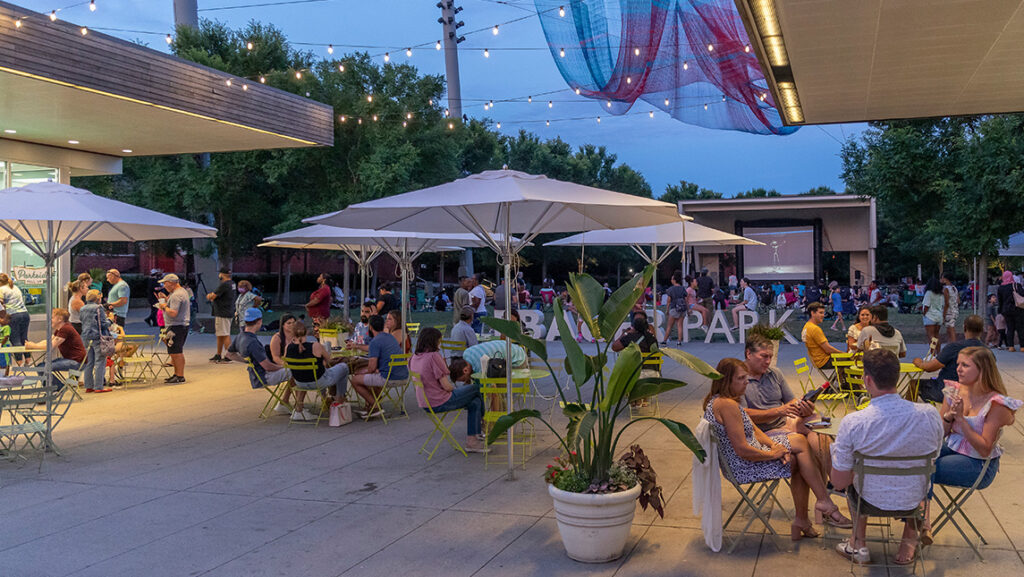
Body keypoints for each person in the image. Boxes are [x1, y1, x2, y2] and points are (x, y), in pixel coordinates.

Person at [703, 358, 851, 543]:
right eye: (741, 378)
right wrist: (772, 454)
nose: (746, 382)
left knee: (799, 455)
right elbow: (742, 450)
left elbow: (754, 429)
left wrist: (774, 445)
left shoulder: (721, 400)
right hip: (743, 466)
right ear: (726, 381)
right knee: (799, 452)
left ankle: (807, 517)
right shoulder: (727, 405)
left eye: (746, 378)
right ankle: (820, 505)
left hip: (751, 454)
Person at [830, 349, 944, 565]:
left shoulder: (854, 422)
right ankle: (909, 541)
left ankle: (857, 544)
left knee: (849, 474)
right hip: (913, 499)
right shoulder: (929, 415)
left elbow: (838, 482)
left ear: (867, 380)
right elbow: (934, 456)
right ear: (897, 376)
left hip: (869, 501)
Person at [929, 346, 1021, 539]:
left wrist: (961, 421)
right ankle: (919, 519)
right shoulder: (954, 390)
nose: (958, 369)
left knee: (925, 468)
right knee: (918, 457)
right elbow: (939, 435)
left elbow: (985, 448)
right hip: (954, 447)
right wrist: (948, 417)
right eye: (958, 364)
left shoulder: (996, 404)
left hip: (978, 463)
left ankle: (919, 523)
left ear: (982, 370)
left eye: (965, 365)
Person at [409, 327, 489, 453]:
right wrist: (454, 389)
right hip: (440, 400)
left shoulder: (414, 357)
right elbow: (447, 387)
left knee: (475, 401)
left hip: (425, 402)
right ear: (434, 341)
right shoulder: (434, 356)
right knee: (475, 388)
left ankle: (473, 439)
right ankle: (484, 421)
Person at [285, 321, 350, 422]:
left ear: (293, 334)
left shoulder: (288, 348)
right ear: (306, 332)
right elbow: (330, 361)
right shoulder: (315, 346)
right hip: (319, 381)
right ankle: (339, 399)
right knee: (344, 367)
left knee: (306, 372)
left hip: (300, 383)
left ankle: (299, 409)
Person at [226, 307, 291, 406]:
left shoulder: (241, 336)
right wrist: (282, 367)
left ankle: (286, 403)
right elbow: (267, 367)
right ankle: (292, 405)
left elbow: (229, 354)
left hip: (255, 375)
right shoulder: (252, 343)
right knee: (297, 371)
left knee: (296, 371)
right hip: (264, 376)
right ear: (259, 321)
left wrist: (248, 361)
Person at [914, 315, 985, 403]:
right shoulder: (987, 351)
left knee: (914, 384)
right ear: (982, 329)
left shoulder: (954, 348)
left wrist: (919, 362)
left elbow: (930, 368)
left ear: (964, 327)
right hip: (975, 393)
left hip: (948, 391)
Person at [349, 315, 407, 418]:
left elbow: (371, 368)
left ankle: (375, 406)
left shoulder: (375, 342)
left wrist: (363, 373)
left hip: (388, 377)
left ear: (370, 327)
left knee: (355, 379)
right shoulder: (390, 337)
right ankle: (370, 407)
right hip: (403, 375)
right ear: (383, 325)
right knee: (369, 376)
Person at [25, 308, 85, 373]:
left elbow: (50, 346)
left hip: (76, 362)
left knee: (41, 368)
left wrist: (33, 346)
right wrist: (33, 344)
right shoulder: (61, 328)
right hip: (75, 360)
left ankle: (58, 383)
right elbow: (48, 341)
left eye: (52, 318)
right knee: (41, 366)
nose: (51, 320)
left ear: (60, 319)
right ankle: (68, 383)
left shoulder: (65, 329)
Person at [155, 273, 189, 384]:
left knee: (176, 352)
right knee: (175, 350)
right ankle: (177, 374)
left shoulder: (176, 295)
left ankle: (179, 375)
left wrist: (164, 306)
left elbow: (173, 313)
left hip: (176, 325)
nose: (164, 286)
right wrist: (166, 300)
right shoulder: (181, 292)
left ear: (171, 283)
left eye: (165, 283)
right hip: (180, 324)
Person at [79, 289, 112, 393]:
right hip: (98, 336)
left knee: (89, 362)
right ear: (98, 298)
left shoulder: (83, 308)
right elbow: (103, 324)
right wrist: (110, 319)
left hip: (85, 337)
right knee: (100, 361)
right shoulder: (98, 308)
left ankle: (89, 386)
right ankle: (98, 386)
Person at [0, 273, 30, 367]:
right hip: (25, 314)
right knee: (24, 338)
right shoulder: (15, 287)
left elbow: (0, 302)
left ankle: (19, 363)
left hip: (13, 315)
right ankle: (28, 360)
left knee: (15, 339)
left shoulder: (1, 289)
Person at [206, 268, 235, 363]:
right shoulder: (232, 283)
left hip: (222, 312)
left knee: (225, 334)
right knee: (220, 334)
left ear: (222, 274)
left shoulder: (224, 285)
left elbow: (213, 296)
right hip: (227, 311)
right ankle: (218, 354)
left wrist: (209, 295)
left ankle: (229, 356)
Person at [802, 302, 842, 370]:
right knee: (852, 360)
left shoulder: (806, 327)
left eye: (823, 313)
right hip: (824, 361)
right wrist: (843, 353)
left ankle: (841, 379)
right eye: (820, 313)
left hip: (816, 361)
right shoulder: (814, 329)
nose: (823, 315)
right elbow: (828, 349)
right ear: (812, 313)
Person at [996, 270, 1024, 351]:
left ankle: (1011, 346)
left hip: (1006, 310)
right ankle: (1022, 346)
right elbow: (1022, 294)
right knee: (1020, 328)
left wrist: (1000, 311)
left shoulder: (1001, 288)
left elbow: (1000, 301)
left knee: (1010, 328)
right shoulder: (1016, 285)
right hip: (1018, 309)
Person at [663, 272, 688, 345]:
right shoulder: (682, 288)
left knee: (669, 326)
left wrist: (667, 310)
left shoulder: (671, 289)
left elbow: (668, 301)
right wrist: (688, 310)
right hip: (682, 309)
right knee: (680, 326)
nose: (671, 280)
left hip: (674, 308)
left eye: (672, 279)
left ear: (674, 280)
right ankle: (679, 341)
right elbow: (686, 300)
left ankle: (664, 340)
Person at [921, 277, 944, 352]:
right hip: (939, 316)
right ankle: (939, 352)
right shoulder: (941, 294)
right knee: (936, 336)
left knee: (931, 336)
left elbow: (926, 305)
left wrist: (924, 313)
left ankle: (932, 353)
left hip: (930, 316)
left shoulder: (929, 293)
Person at [941, 274, 959, 344]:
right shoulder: (954, 288)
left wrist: (943, 315)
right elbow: (958, 300)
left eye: (942, 278)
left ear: (945, 279)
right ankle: (950, 343)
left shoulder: (946, 289)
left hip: (949, 312)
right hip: (955, 310)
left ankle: (954, 345)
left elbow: (946, 303)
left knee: (951, 329)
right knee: (949, 329)